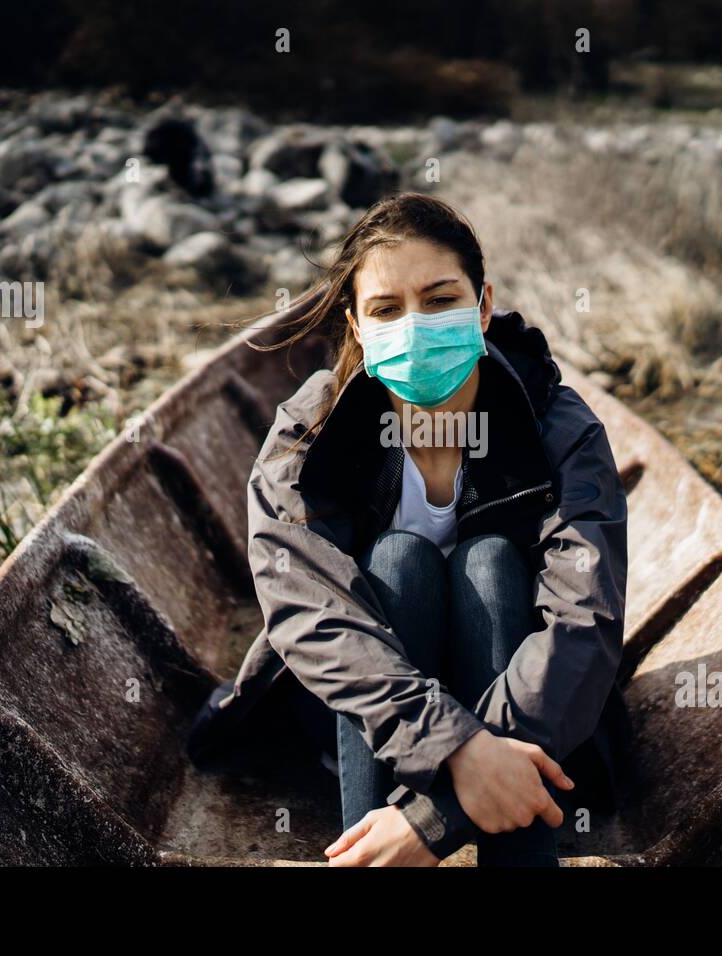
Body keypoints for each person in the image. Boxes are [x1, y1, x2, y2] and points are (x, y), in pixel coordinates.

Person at [187, 191, 631, 866]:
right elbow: (315, 619)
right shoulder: (309, 432)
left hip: (529, 717)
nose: (416, 325)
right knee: (398, 561)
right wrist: (453, 746)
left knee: (489, 562)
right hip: (366, 712)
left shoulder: (559, 428)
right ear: (357, 327)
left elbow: (582, 623)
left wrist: (433, 819)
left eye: (441, 299)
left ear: (483, 307)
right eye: (387, 310)